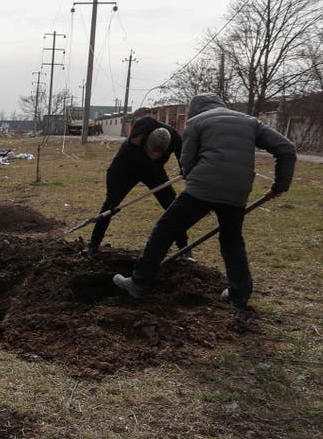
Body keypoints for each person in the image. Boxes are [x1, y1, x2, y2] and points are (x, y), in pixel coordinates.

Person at [113, 94, 296, 309]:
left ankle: (139, 283)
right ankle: (239, 294)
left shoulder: (196, 122)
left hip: (204, 186)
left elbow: (187, 161)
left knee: (165, 229)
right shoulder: (250, 122)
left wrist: (194, 183)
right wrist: (281, 185)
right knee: (232, 240)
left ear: (194, 110)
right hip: (238, 190)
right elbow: (286, 148)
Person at [82, 117, 190, 259]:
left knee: (172, 206)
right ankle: (93, 245)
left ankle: (185, 249)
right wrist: (113, 194)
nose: (154, 156)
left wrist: (185, 169)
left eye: (158, 154)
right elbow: (114, 173)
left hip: (154, 172)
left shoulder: (174, 139)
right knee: (110, 206)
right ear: (144, 142)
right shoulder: (139, 133)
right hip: (125, 169)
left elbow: (184, 157)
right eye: (151, 152)